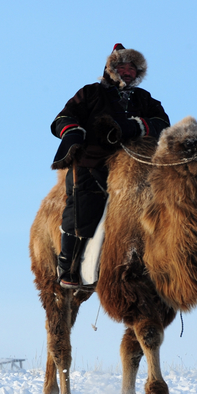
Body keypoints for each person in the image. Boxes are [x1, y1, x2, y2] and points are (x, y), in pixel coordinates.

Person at [50, 43, 170, 287]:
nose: (127, 72)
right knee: (82, 209)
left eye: (132, 69)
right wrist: (73, 132)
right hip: (91, 161)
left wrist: (134, 126)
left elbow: (163, 123)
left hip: (135, 167)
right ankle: (68, 268)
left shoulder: (144, 99)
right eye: (123, 67)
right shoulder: (90, 93)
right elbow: (62, 118)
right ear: (111, 68)